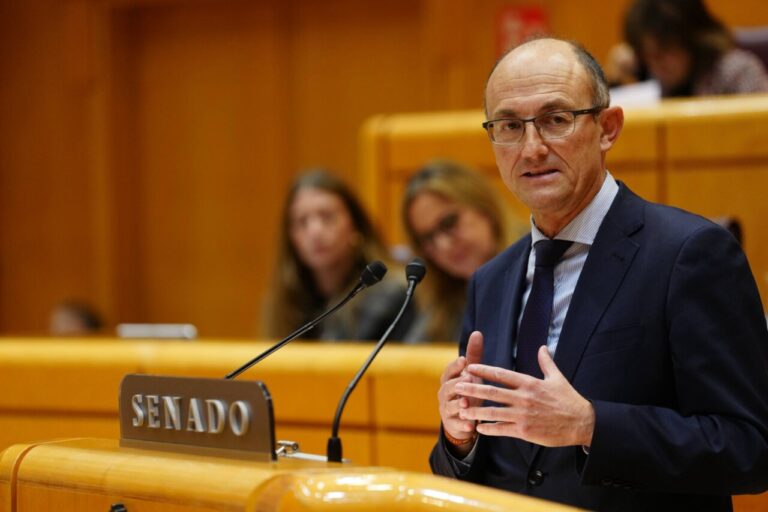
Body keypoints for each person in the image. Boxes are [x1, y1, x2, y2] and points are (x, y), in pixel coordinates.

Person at [430, 37, 768, 511]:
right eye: (509, 125)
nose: (531, 148)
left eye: (555, 120)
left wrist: (590, 425)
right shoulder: (491, 279)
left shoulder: (689, 254)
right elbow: (501, 468)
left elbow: (749, 447)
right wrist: (457, 438)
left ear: (607, 127)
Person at [261, 169, 413, 341]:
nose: (315, 232)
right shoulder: (288, 302)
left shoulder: (391, 296)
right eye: (302, 222)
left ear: (355, 225)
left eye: (327, 217)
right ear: (291, 237)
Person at [401, 159, 526, 342]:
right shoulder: (442, 311)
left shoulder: (540, 268)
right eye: (428, 238)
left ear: (484, 208)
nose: (443, 245)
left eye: (449, 222)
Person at [618, 0, 768, 97]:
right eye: (648, 56)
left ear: (690, 40)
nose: (656, 65)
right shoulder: (662, 80)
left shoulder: (738, 72)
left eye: (665, 50)